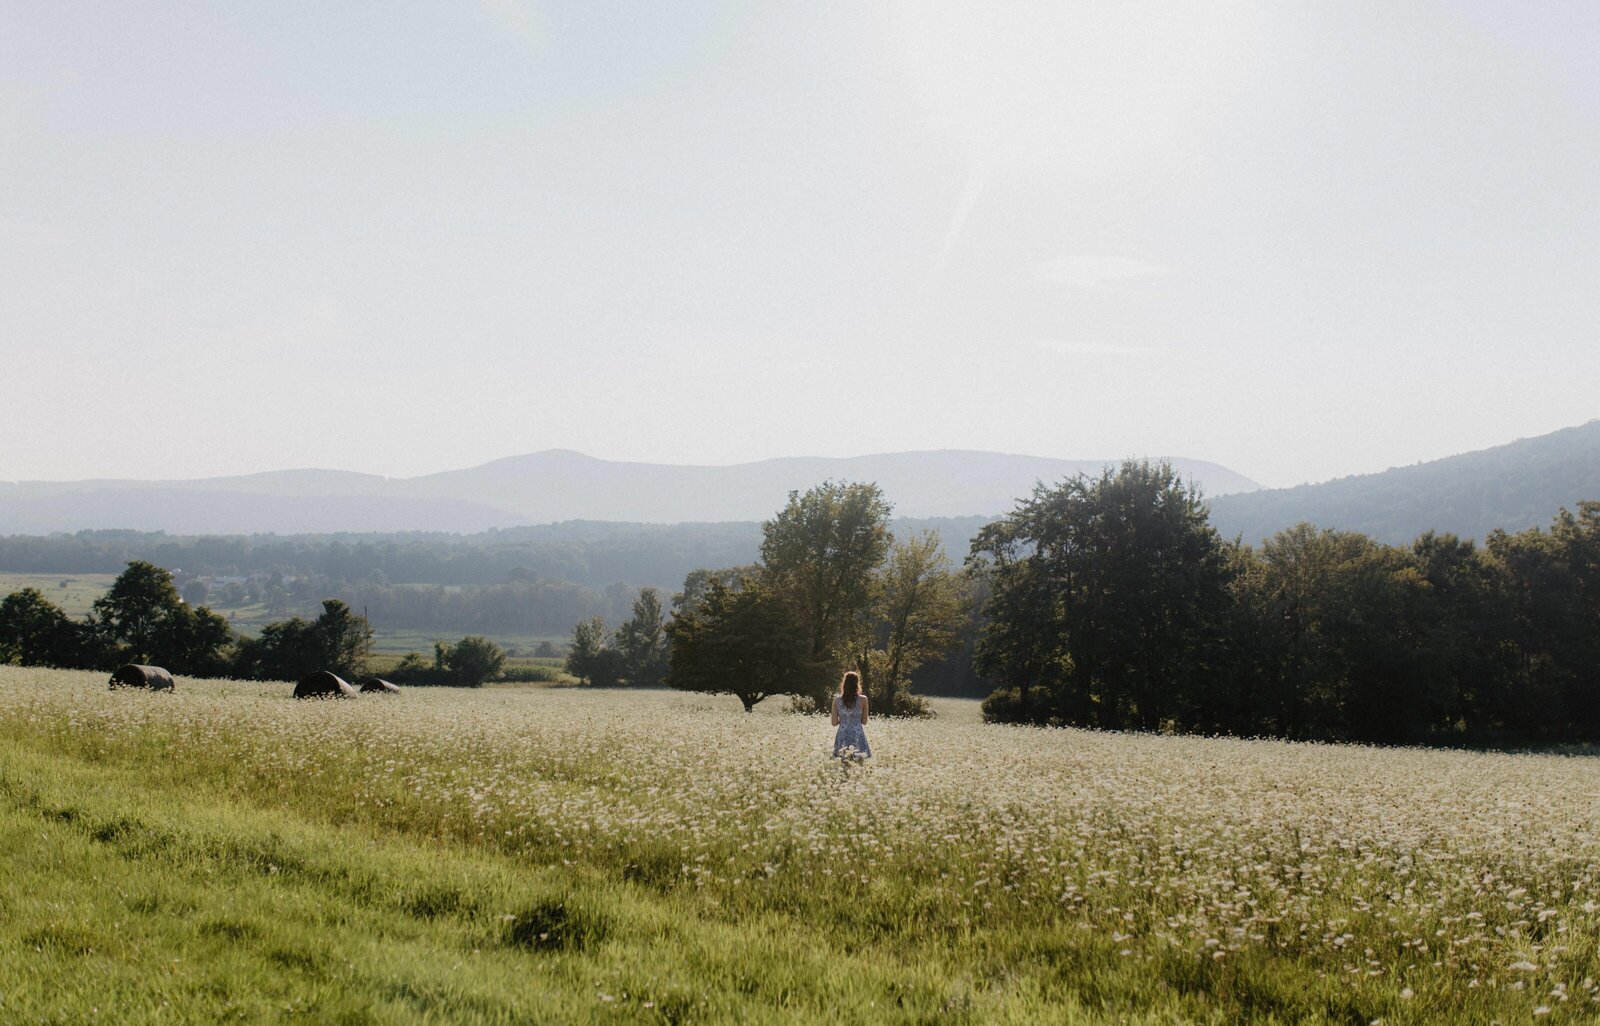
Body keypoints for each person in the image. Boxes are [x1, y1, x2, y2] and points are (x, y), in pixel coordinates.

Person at [831, 670, 871, 759]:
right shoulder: (863, 699)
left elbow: (834, 723)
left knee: (842, 762)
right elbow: (864, 722)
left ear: (844, 684)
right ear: (857, 684)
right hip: (858, 735)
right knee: (859, 762)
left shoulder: (836, 700)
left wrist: (844, 718)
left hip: (842, 735)